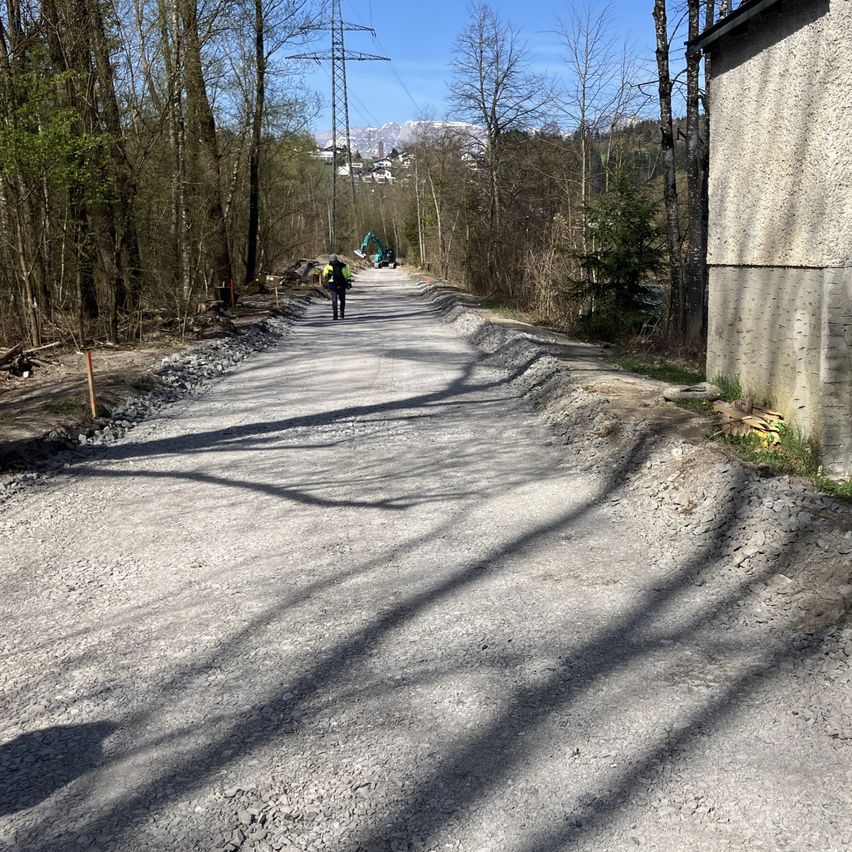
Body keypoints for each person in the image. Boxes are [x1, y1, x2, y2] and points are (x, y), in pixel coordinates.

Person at [321, 253, 352, 320]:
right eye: (331, 261)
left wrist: (349, 282)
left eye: (334, 261)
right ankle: (335, 315)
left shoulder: (343, 266)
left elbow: (348, 275)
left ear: (336, 260)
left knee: (342, 300)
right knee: (334, 300)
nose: (333, 262)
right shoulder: (328, 266)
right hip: (332, 284)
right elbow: (324, 274)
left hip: (342, 284)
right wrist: (328, 275)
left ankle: (341, 313)